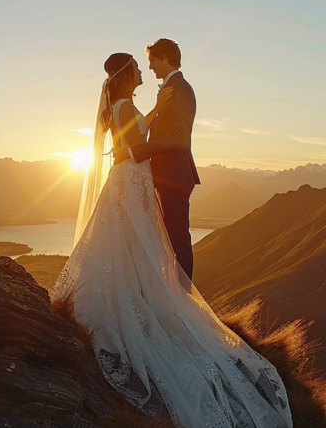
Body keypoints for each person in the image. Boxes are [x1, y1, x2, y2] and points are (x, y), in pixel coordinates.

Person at [52, 53, 292, 428]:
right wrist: (153, 147)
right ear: (124, 74)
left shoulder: (124, 105)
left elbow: (138, 141)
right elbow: (136, 146)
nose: (141, 70)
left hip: (130, 181)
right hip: (132, 183)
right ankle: (152, 304)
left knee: (129, 247)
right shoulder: (127, 106)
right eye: (135, 66)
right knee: (138, 244)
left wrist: (140, 140)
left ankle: (139, 299)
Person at [113, 39, 199, 281]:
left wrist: (133, 153)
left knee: (178, 241)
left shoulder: (180, 88)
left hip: (174, 175)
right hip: (166, 175)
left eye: (152, 60)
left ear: (165, 58)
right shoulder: (169, 88)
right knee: (169, 241)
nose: (149, 67)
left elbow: (179, 139)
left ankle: (184, 300)